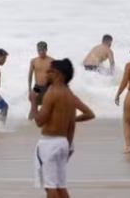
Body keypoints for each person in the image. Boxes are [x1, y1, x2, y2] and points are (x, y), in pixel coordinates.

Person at [30, 59, 95, 197]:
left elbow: (39, 121)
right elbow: (90, 113)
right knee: (60, 185)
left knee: (50, 187)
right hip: (64, 143)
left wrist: (33, 102)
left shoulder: (51, 93)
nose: (46, 73)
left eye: (50, 71)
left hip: (49, 143)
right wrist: (71, 120)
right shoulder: (70, 94)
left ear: (58, 74)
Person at [29, 41, 53, 118]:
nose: (41, 52)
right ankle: (30, 122)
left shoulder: (52, 61)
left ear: (46, 50)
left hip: (48, 87)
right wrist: (29, 89)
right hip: (37, 87)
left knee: (48, 106)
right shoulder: (34, 61)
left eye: (43, 50)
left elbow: (56, 76)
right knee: (34, 105)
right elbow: (30, 75)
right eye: (39, 50)